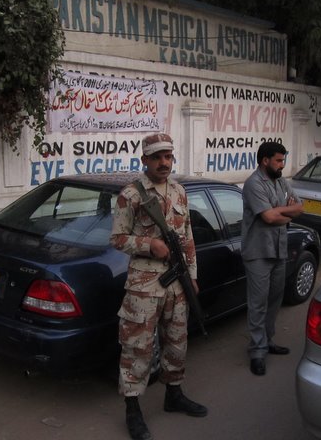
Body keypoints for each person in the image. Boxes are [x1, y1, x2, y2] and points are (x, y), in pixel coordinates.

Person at [110, 133, 208, 440]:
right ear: (145, 161)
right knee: (138, 346)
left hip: (176, 282)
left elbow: (188, 236)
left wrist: (191, 274)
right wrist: (149, 243)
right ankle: (132, 411)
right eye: (157, 157)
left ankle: (173, 394)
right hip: (144, 284)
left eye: (168, 156)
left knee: (177, 340)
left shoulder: (179, 191)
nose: (164, 162)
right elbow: (117, 239)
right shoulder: (131, 194)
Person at [241, 141, 303, 376]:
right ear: (264, 160)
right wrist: (286, 213)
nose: (282, 164)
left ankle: (267, 340)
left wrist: (282, 213)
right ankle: (257, 351)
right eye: (278, 160)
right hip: (258, 252)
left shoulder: (281, 181)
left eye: (283, 160)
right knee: (257, 303)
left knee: (275, 299)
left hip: (279, 249)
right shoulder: (253, 184)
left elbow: (301, 207)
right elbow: (268, 217)